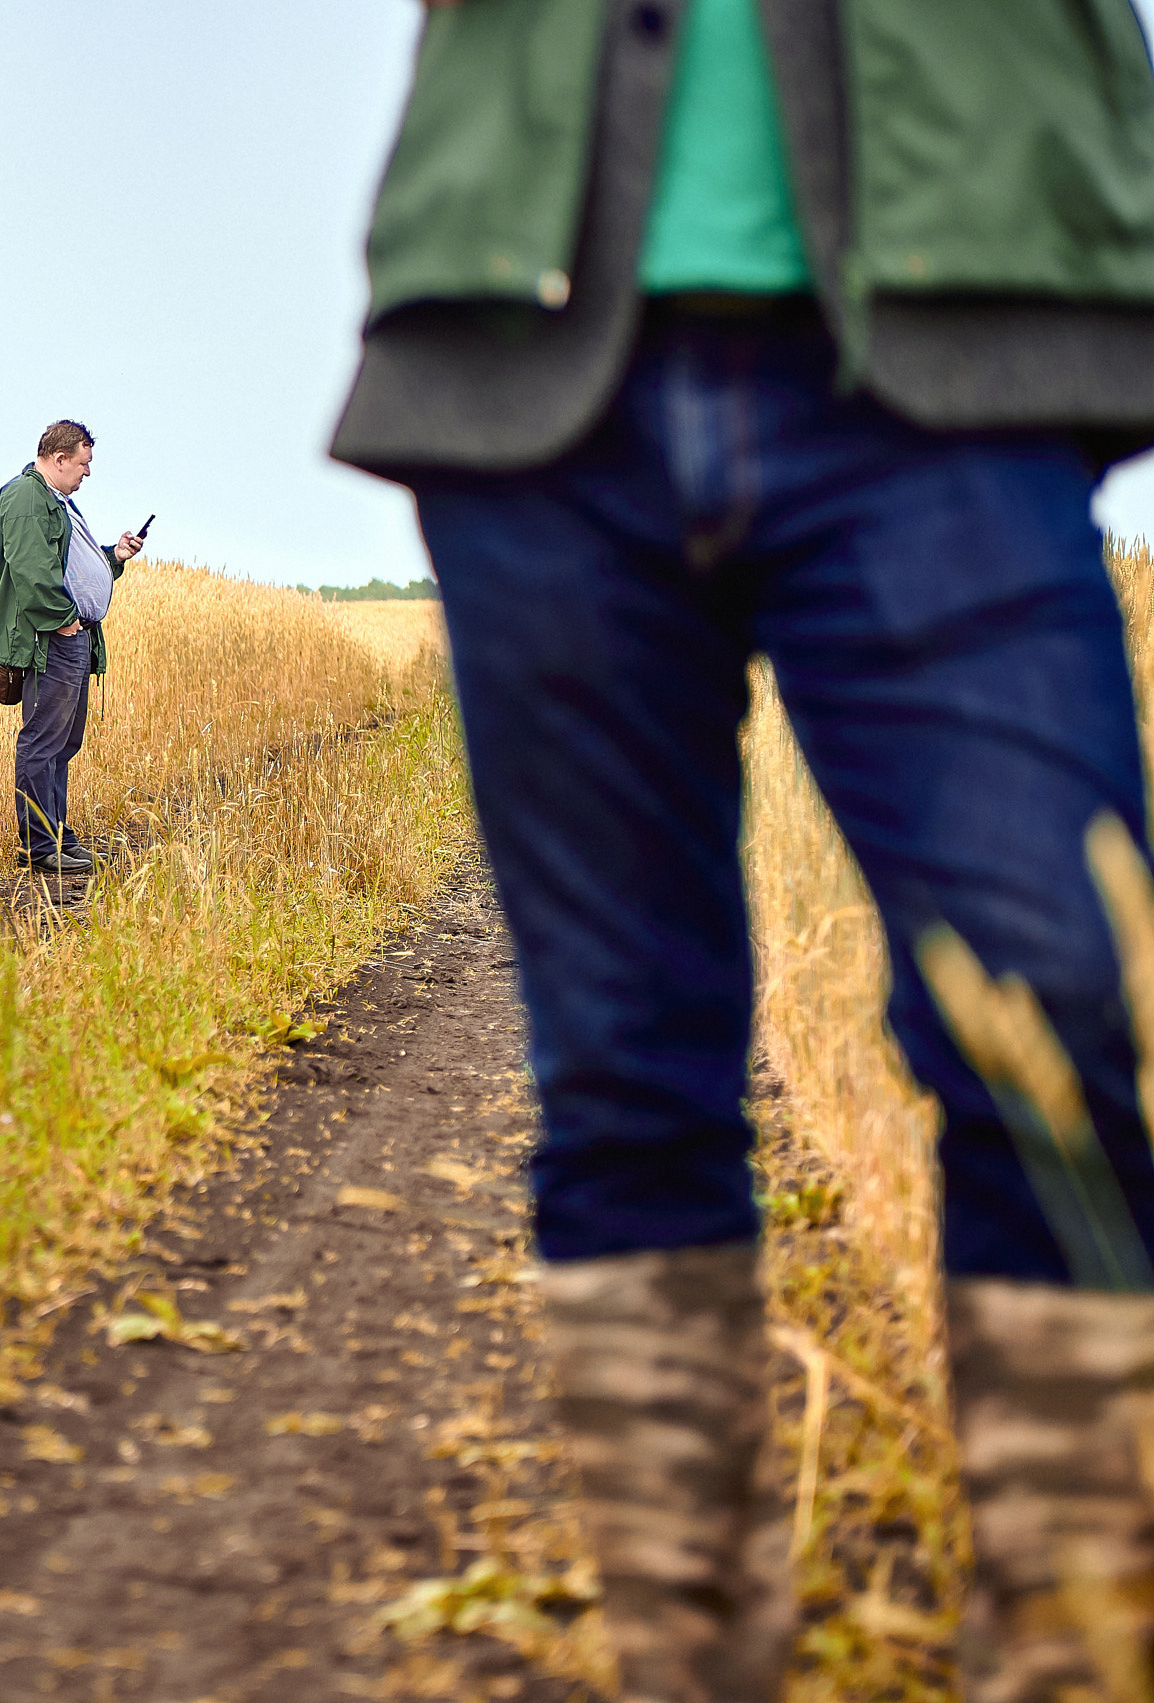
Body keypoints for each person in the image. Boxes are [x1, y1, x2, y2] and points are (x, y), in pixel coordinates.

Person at [334, 0, 1154, 1695]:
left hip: (961, 318)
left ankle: (1081, 1655)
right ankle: (693, 1663)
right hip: (536, 332)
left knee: (1064, 1005)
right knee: (624, 1069)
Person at [0, 421, 146, 876]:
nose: (87, 473)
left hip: (71, 637)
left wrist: (114, 556)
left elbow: (71, 568)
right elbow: (33, 571)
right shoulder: (27, 497)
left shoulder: (57, 502)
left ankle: (57, 837)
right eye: (84, 463)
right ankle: (39, 848)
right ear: (58, 459)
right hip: (52, 639)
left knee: (62, 743)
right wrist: (65, 620)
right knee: (42, 741)